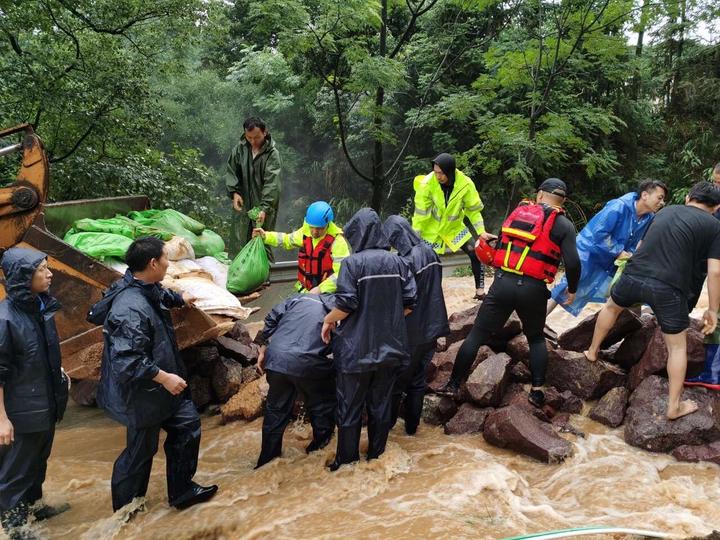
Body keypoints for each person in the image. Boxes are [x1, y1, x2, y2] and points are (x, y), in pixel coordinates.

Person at [87, 237, 218, 513]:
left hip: (160, 387)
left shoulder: (143, 285)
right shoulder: (130, 309)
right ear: (153, 263)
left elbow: (159, 293)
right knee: (139, 452)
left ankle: (182, 491)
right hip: (141, 393)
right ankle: (126, 511)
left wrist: (179, 298)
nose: (168, 264)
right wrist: (165, 378)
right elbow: (127, 361)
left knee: (187, 426)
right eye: (165, 260)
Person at [584, 182, 720, 419]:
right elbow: (715, 272)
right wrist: (713, 310)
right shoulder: (715, 226)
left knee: (612, 307)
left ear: (688, 198)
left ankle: (593, 351)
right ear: (716, 207)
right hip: (669, 288)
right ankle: (674, 406)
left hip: (634, 274)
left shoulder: (664, 212)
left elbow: (640, 247)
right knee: (677, 346)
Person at [442, 178, 581, 408]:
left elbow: (502, 246)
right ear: (563, 201)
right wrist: (573, 290)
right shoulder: (564, 225)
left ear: (539, 195)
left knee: (476, 335)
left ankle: (453, 385)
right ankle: (536, 393)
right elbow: (574, 264)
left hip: (503, 283)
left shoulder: (519, 213)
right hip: (533, 290)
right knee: (536, 339)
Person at [321, 208, 417, 470]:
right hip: (391, 350)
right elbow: (410, 303)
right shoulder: (398, 262)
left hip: (356, 352)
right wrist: (387, 318)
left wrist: (328, 321)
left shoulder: (353, 264)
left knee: (349, 407)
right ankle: (377, 456)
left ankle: (347, 461)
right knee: (380, 406)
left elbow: (347, 304)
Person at [0, 249, 69, 537]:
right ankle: (14, 528)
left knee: (38, 461)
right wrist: (2, 419)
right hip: (20, 410)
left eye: (47, 267)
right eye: (42, 269)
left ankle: (34, 507)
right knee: (15, 473)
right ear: (22, 277)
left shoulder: (40, 307)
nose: (49, 273)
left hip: (44, 403)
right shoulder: (5, 319)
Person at [547, 179, 668, 320]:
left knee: (626, 289)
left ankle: (634, 327)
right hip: (589, 253)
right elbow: (598, 233)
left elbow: (635, 242)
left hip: (611, 259)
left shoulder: (648, 218)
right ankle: (535, 323)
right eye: (660, 198)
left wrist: (630, 255)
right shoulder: (619, 207)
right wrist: (618, 251)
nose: (662, 203)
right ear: (645, 195)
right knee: (564, 288)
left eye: (663, 199)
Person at [383, 215, 449, 435]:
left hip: (412, 330)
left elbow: (404, 299)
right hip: (434, 325)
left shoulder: (406, 261)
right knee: (418, 380)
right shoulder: (430, 251)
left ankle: (387, 427)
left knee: (396, 382)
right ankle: (412, 428)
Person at [255, 294, 336, 468]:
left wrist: (262, 350)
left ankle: (267, 460)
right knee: (322, 407)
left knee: (275, 412)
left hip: (277, 360)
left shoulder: (298, 299)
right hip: (310, 363)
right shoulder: (340, 308)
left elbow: (270, 319)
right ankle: (317, 453)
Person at [412, 153, 493, 300]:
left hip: (454, 229)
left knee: (476, 253)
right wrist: (414, 236)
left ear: (450, 171)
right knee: (427, 262)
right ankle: (423, 295)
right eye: (435, 172)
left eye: (441, 173)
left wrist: (481, 232)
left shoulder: (465, 184)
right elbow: (420, 214)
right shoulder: (427, 184)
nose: (438, 176)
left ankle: (480, 292)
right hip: (432, 232)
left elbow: (473, 211)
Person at [252, 201, 350, 294]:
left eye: (319, 228)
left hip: (326, 295)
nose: (314, 232)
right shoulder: (305, 232)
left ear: (328, 224)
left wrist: (320, 289)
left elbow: (342, 274)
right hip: (304, 291)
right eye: (312, 227)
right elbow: (286, 240)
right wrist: (265, 236)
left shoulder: (338, 242)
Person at [225, 116, 281, 256]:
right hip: (244, 204)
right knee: (239, 240)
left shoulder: (272, 154)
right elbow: (232, 171)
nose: (253, 141)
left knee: (261, 241)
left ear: (265, 132)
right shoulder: (240, 149)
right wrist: (234, 193)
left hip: (263, 207)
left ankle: (263, 276)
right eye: (249, 137)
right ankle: (239, 273)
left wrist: (265, 208)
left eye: (256, 137)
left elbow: (272, 183)